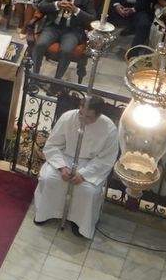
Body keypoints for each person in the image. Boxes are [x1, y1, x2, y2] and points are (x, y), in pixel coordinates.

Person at [31, 98, 119, 237]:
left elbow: (106, 159)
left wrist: (83, 174)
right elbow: (53, 145)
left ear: (98, 115)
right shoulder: (68, 118)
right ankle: (45, 213)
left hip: (90, 165)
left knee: (87, 191)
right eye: (81, 114)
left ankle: (80, 223)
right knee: (50, 179)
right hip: (64, 158)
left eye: (88, 117)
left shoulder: (109, 129)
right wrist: (61, 167)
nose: (83, 119)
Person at [30, 0, 97, 79]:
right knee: (40, 45)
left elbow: (92, 18)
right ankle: (34, 76)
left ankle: (57, 81)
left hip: (72, 30)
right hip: (53, 27)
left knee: (66, 51)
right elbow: (41, 5)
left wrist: (76, 10)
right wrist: (56, 4)